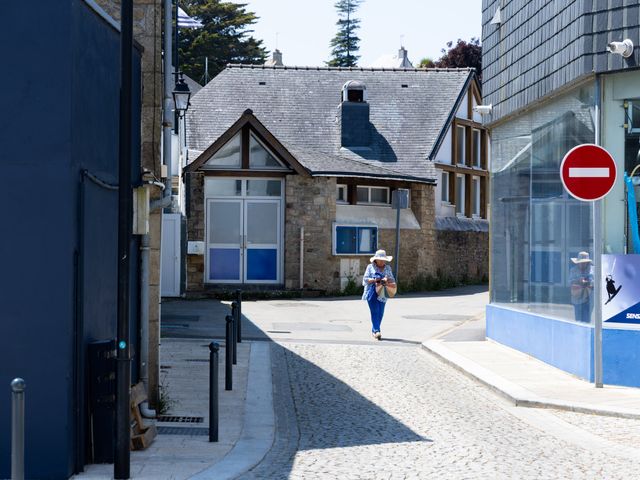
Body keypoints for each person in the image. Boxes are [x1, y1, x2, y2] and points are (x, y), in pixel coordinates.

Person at [362, 249, 396, 340]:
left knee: (380, 313)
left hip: (383, 291)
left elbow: (392, 280)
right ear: (375, 259)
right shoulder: (370, 267)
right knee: (375, 311)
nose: (382, 261)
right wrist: (375, 280)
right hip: (372, 291)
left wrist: (386, 279)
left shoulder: (388, 268)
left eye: (383, 259)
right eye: (380, 259)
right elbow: (365, 279)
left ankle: (374, 330)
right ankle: (377, 331)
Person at [569, 251, 594, 323]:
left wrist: (588, 282)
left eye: (584, 262)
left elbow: (597, 282)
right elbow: (570, 282)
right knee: (578, 320)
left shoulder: (593, 270)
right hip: (577, 298)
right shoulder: (573, 270)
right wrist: (578, 281)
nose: (582, 264)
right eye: (581, 262)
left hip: (589, 298)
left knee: (587, 319)